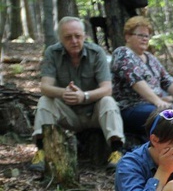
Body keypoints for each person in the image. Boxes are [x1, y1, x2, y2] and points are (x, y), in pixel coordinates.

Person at [111, 16, 173, 166]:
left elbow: (168, 81)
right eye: (140, 35)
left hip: (155, 107)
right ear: (128, 36)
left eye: (147, 35)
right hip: (132, 108)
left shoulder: (150, 58)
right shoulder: (123, 54)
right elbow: (136, 82)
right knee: (169, 117)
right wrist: (158, 101)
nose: (145, 39)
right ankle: (170, 158)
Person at [31, 16, 125, 173]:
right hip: (68, 114)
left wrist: (85, 96)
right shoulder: (52, 53)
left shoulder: (96, 53)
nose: (74, 41)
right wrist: (64, 93)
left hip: (94, 112)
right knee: (45, 101)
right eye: (68, 37)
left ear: (84, 35)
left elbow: (107, 88)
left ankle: (117, 151)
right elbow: (45, 87)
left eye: (78, 36)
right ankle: (42, 151)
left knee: (108, 101)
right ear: (60, 38)